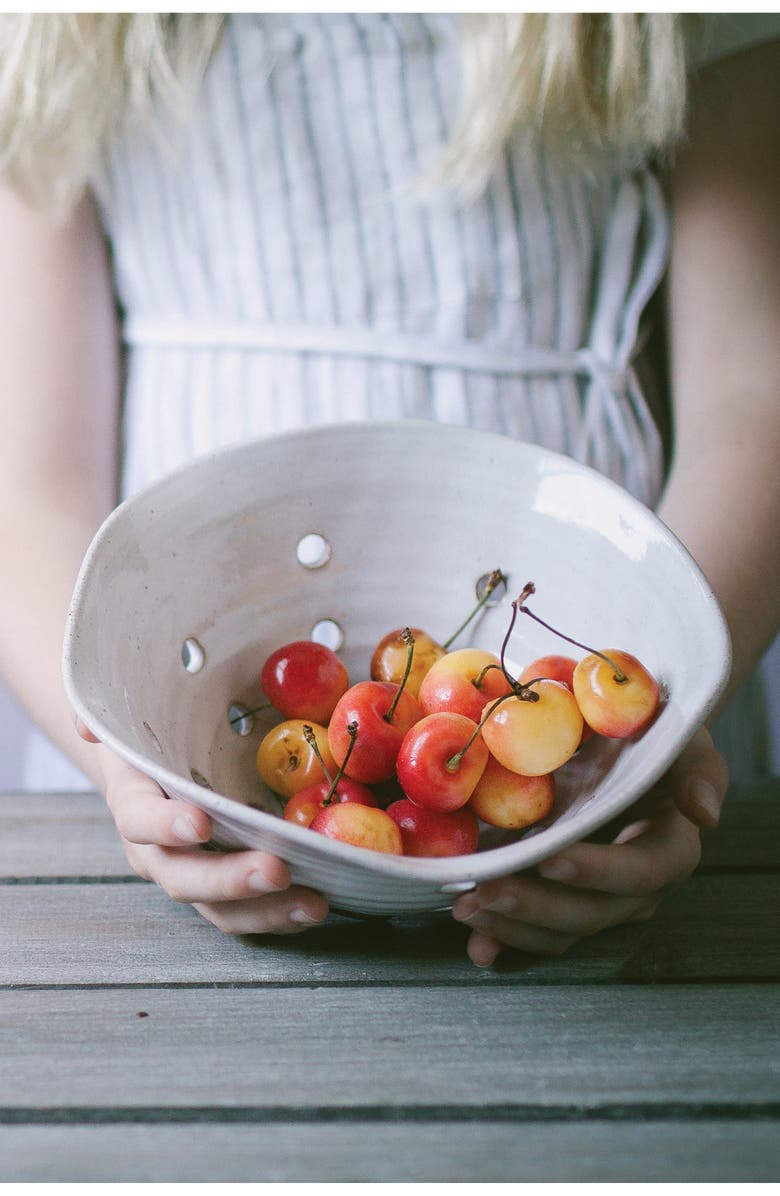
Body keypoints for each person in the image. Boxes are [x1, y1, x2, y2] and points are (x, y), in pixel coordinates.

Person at [0, 13, 778, 965]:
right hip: (182, 727)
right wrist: (125, 758)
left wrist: (661, 721)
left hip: (602, 730)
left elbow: (755, 402)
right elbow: (27, 489)